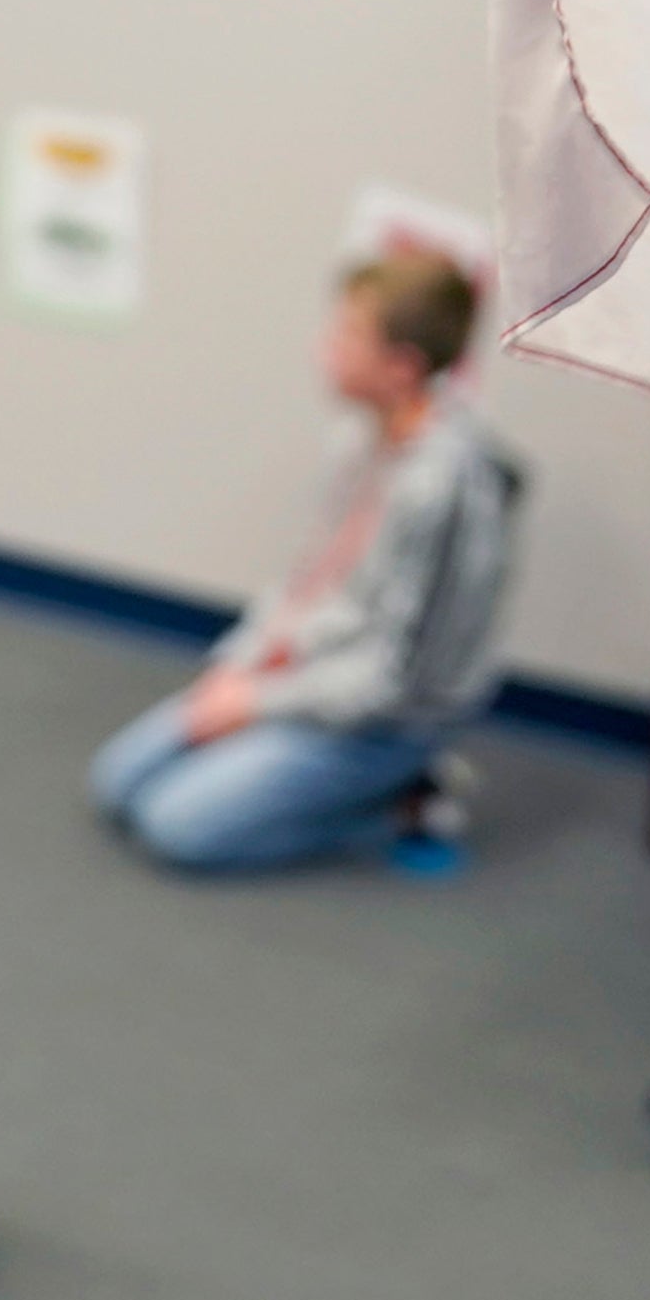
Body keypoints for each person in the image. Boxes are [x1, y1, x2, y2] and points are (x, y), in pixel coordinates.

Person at [92, 247, 524, 873]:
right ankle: (281, 766)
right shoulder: (359, 437)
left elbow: (393, 680)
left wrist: (256, 707)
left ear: (400, 367)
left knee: (174, 827)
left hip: (377, 721)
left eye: (348, 334)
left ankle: (405, 805)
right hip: (302, 678)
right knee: (117, 785)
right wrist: (240, 667)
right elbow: (307, 585)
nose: (326, 347)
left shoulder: (446, 488)